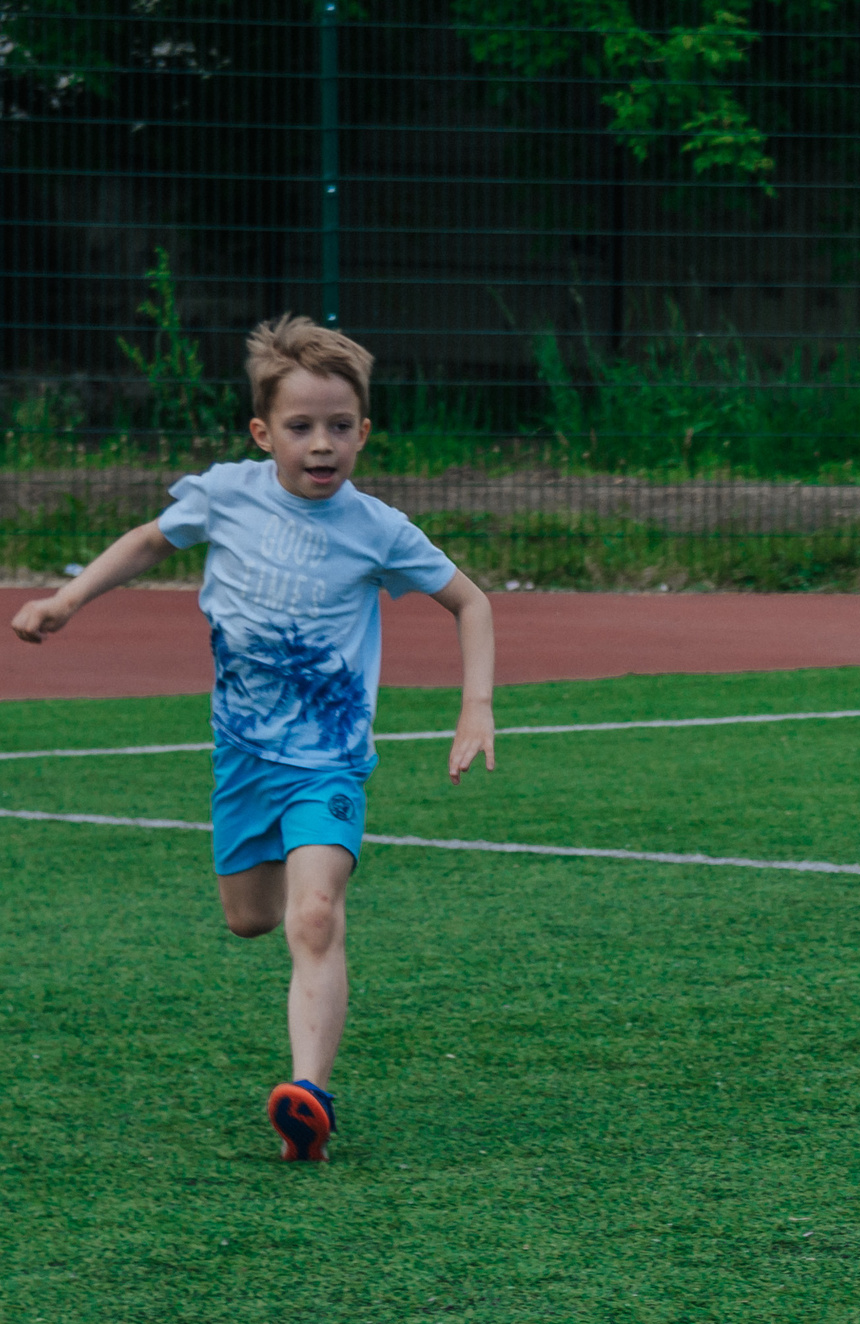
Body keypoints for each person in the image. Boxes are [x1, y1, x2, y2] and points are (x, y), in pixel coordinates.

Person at [11, 315, 496, 1163]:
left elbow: (472, 600)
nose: (322, 445)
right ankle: (300, 1042)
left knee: (314, 916)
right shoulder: (226, 494)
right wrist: (65, 600)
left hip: (329, 762)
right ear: (262, 433)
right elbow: (148, 541)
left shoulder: (375, 527)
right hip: (243, 756)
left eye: (341, 427)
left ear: (365, 433)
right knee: (252, 920)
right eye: (302, 427)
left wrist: (476, 705)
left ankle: (308, 1096)